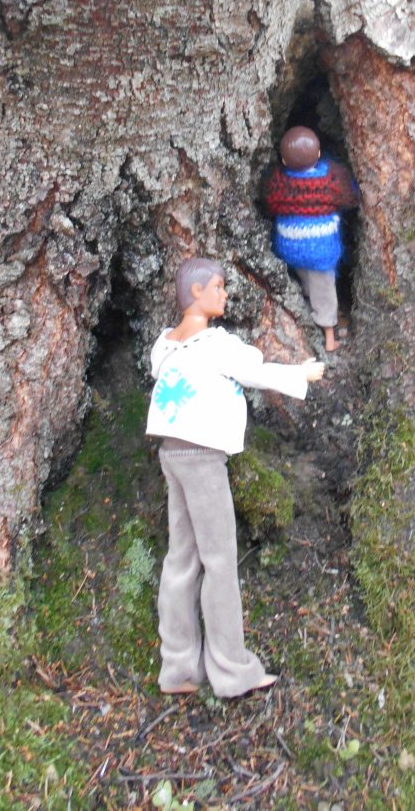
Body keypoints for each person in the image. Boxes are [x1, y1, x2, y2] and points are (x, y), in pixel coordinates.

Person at [146, 256, 324, 698]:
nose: (224, 294)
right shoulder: (216, 344)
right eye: (218, 287)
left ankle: (178, 667)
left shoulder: (163, 345)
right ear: (196, 293)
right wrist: (299, 372)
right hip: (203, 456)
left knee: (181, 559)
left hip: (172, 452)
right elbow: (253, 371)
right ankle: (230, 672)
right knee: (220, 562)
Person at [263, 126, 359, 352]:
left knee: (306, 282)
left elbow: (269, 203)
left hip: (290, 248)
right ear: (318, 155)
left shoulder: (279, 182)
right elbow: (350, 197)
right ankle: (329, 337)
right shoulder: (330, 179)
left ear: (284, 161)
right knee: (324, 292)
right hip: (319, 252)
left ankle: (309, 313)